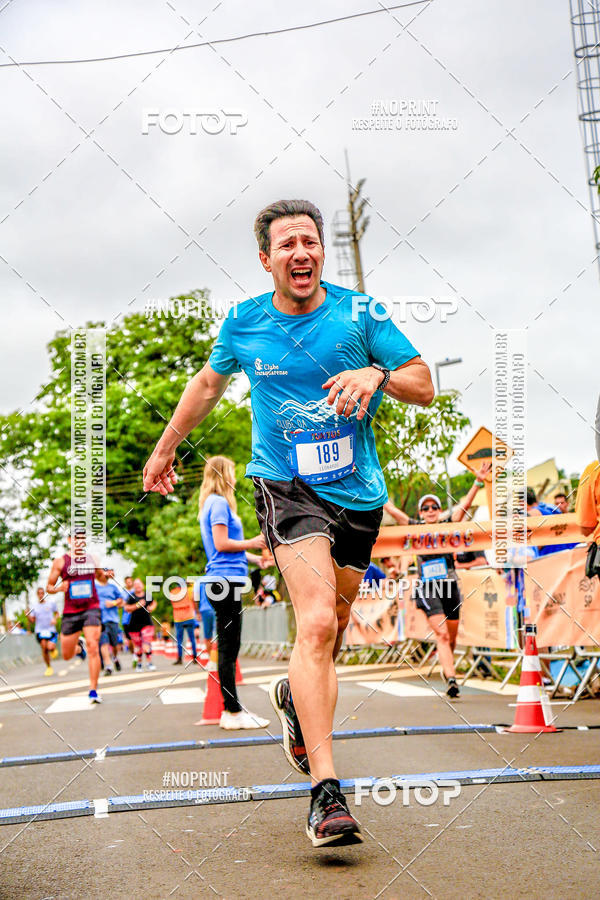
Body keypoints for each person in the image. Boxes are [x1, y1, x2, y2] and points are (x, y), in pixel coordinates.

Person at [143, 199, 434, 848]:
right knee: (318, 621)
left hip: (357, 494)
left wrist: (377, 373)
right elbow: (207, 385)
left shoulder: (360, 314)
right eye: (287, 244)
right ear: (266, 259)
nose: (301, 252)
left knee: (333, 631)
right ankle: (326, 793)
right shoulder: (245, 322)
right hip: (285, 486)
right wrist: (164, 450)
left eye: (310, 241)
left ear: (321, 253)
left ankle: (296, 709)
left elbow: (423, 383)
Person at [385, 463, 490, 698]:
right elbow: (393, 511)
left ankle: (446, 667)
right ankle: (452, 680)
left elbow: (464, 507)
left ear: (440, 510)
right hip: (427, 587)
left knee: (450, 637)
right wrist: (373, 488)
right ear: (421, 513)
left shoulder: (447, 525)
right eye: (426, 508)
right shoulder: (414, 527)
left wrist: (478, 481)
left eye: (434, 507)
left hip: (449, 584)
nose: (430, 510)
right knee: (441, 634)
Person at [196, 455, 269, 729]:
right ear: (222, 474)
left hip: (224, 578)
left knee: (229, 646)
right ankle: (232, 712)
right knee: (229, 648)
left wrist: (255, 558)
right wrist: (253, 542)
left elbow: (225, 550)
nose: (235, 478)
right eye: (232, 472)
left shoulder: (212, 503)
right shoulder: (218, 503)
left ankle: (232, 710)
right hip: (224, 581)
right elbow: (222, 544)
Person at [46, 533, 104, 703]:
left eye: (82, 538)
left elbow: (101, 578)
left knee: (94, 646)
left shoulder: (92, 559)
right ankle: (79, 647)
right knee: (66, 655)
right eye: (76, 538)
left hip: (91, 608)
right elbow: (49, 587)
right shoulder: (60, 562)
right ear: (70, 540)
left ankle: (93, 691)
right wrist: (59, 588)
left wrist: (104, 573)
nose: (79, 541)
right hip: (71, 612)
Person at [124, 578, 157, 671]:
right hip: (134, 625)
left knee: (146, 643)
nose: (138, 586)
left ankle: (149, 663)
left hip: (147, 623)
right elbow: (126, 608)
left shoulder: (148, 595)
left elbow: (154, 602)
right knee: (138, 646)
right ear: (134, 586)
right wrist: (137, 605)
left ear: (142, 585)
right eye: (136, 584)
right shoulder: (131, 597)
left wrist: (152, 607)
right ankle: (139, 663)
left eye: (139, 584)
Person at [96, 569, 124, 675]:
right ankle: (108, 666)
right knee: (103, 643)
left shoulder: (113, 587)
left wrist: (113, 603)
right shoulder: (94, 588)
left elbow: (121, 601)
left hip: (113, 619)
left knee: (115, 644)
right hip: (100, 620)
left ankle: (115, 657)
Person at [28, 587, 59, 676]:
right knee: (44, 647)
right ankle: (48, 667)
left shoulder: (50, 604)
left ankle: (53, 650)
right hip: (40, 630)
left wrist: (55, 619)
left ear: (44, 594)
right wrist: (28, 615)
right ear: (37, 595)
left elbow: (57, 613)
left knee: (50, 647)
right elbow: (32, 620)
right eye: (39, 593)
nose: (41, 595)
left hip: (50, 629)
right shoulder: (34, 606)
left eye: (42, 593)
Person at [169, 580, 198, 666]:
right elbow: (195, 590)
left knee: (179, 640)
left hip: (178, 618)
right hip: (189, 617)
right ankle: (195, 658)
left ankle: (179, 659)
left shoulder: (173, 592)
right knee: (192, 638)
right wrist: (190, 583)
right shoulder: (189, 590)